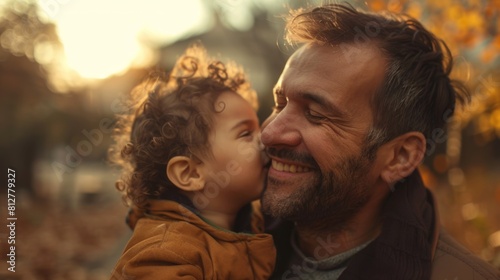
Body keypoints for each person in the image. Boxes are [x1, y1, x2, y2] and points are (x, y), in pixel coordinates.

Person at [260, 3, 500, 280]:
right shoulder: (217, 236)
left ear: (401, 156)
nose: (270, 133)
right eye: (279, 104)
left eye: (315, 114)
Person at [108, 44, 275, 279]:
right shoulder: (165, 253)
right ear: (190, 174)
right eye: (246, 133)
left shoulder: (254, 221)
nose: (266, 138)